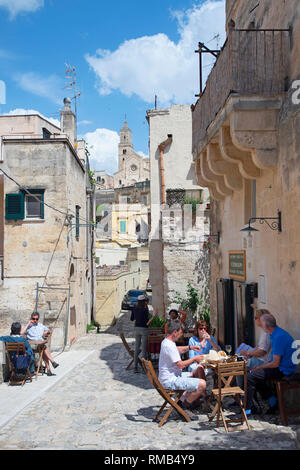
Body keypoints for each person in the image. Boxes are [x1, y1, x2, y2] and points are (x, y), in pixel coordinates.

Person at [246, 313, 297, 415]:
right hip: (281, 366)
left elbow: (275, 363)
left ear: (266, 326)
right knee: (254, 374)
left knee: (250, 377)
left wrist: (260, 366)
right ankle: (272, 400)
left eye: (261, 322)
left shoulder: (278, 337)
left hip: (284, 370)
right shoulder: (275, 333)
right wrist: (261, 366)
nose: (260, 324)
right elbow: (274, 358)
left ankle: (250, 408)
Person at [158, 320, 207, 411]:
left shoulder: (166, 342)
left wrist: (190, 347)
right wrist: (194, 359)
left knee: (194, 373)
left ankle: (190, 400)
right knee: (202, 384)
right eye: (180, 333)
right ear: (175, 332)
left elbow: (177, 349)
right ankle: (183, 406)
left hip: (167, 377)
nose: (181, 335)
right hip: (170, 380)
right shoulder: (169, 346)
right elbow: (180, 365)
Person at [21, 312, 59, 376]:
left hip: (40, 345)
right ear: (31, 318)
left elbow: (50, 331)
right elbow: (21, 333)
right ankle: (52, 362)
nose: (35, 320)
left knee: (43, 348)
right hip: (32, 346)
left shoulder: (41, 325)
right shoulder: (28, 327)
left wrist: (46, 332)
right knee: (44, 347)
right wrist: (28, 323)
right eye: (33, 319)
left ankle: (49, 370)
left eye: (37, 319)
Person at [130, 295, 158, 373]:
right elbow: (147, 323)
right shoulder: (145, 309)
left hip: (136, 329)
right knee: (144, 349)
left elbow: (132, 319)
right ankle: (143, 368)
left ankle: (135, 367)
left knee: (136, 348)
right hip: (144, 329)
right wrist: (154, 316)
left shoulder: (134, 308)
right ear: (144, 301)